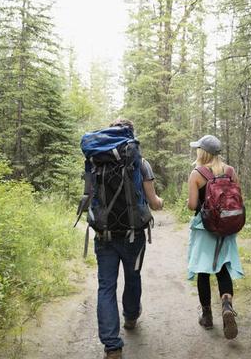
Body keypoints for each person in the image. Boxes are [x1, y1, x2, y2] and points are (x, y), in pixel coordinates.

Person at [93, 119, 164, 359]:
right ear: (131, 135)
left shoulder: (96, 161)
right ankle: (131, 316)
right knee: (132, 276)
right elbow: (154, 202)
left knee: (106, 286)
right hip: (133, 235)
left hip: (104, 234)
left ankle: (112, 346)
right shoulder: (141, 163)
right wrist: (159, 204)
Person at [186, 134, 244, 340]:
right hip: (226, 228)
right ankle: (227, 306)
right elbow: (238, 199)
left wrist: (189, 201)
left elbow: (193, 205)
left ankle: (207, 316)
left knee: (203, 271)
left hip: (205, 229)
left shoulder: (197, 174)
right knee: (222, 269)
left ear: (203, 152)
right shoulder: (230, 171)